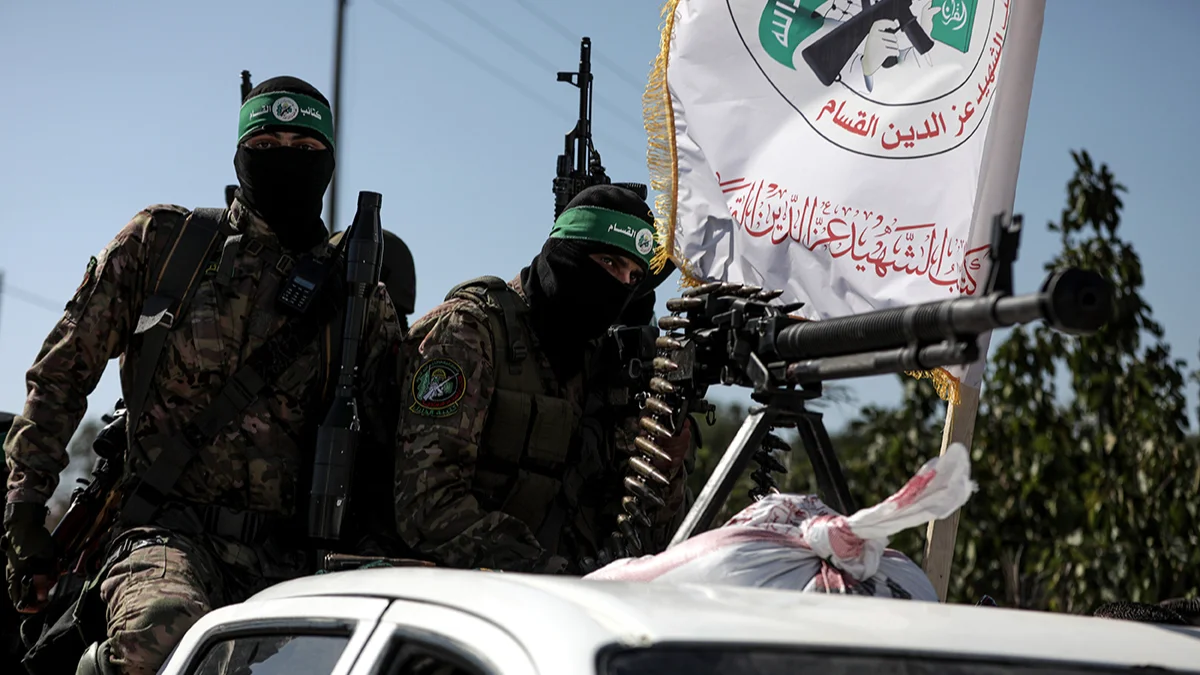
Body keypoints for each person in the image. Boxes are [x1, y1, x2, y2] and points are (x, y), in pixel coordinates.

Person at [2, 75, 403, 675]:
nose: (285, 157)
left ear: (328, 162)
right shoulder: (165, 245)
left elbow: (388, 449)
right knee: (164, 637)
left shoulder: (359, 300)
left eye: (304, 147)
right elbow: (61, 375)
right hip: (164, 535)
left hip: (294, 559)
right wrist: (25, 512)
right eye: (265, 144)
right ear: (240, 154)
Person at [394, 185, 693, 574]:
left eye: (633, 276)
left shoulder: (604, 366)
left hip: (565, 596)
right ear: (568, 251)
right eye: (609, 262)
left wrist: (665, 468)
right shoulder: (471, 333)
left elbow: (648, 537)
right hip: (454, 592)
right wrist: (547, 571)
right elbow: (428, 507)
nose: (620, 284)